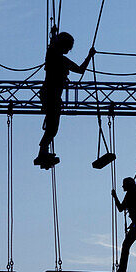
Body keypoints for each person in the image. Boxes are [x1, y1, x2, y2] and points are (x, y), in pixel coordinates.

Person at [35, 31, 94, 169]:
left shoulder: (55, 57)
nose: (69, 50)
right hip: (51, 96)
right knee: (52, 128)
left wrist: (54, 36)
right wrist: (89, 56)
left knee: (52, 128)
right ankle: (42, 153)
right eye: (68, 47)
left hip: (50, 96)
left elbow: (78, 69)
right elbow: (80, 70)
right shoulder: (58, 58)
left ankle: (42, 153)